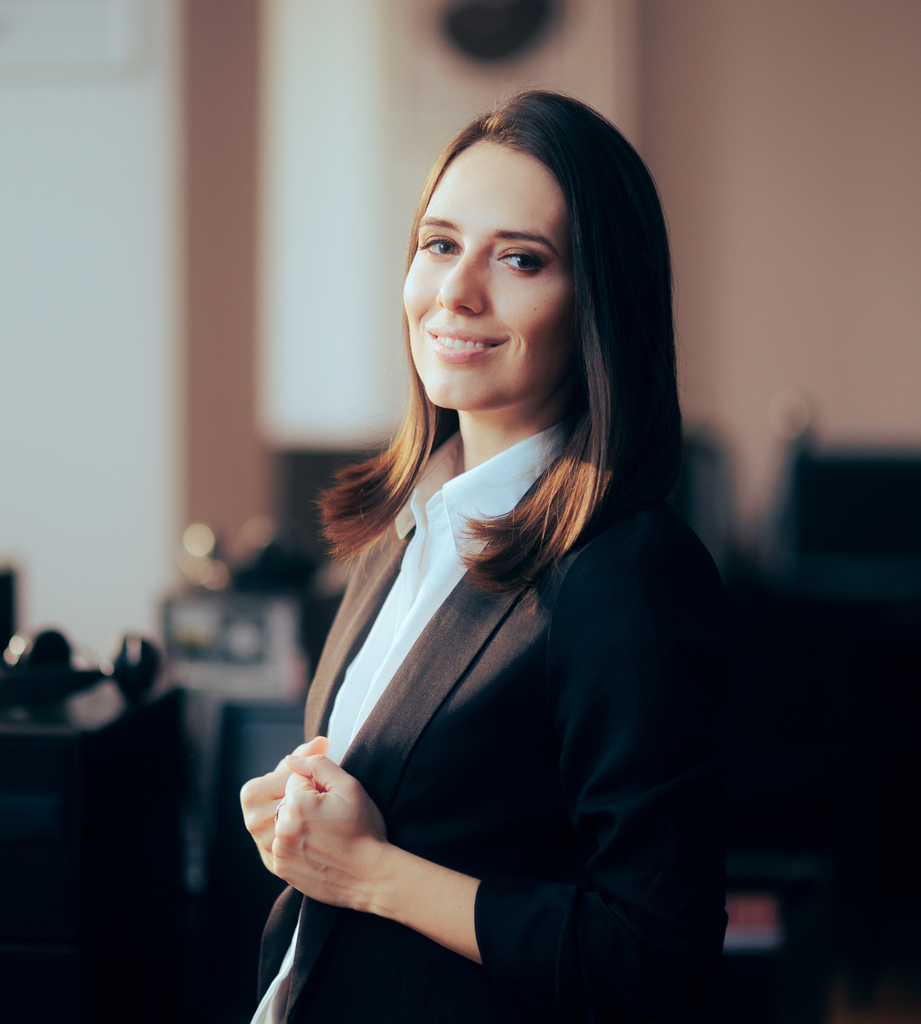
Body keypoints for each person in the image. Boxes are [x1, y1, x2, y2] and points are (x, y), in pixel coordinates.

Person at [238, 90, 731, 1024]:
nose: (457, 292)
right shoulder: (407, 530)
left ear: (598, 301)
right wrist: (302, 834)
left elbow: (656, 955)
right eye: (439, 244)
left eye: (519, 259)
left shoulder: (627, 574)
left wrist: (373, 873)